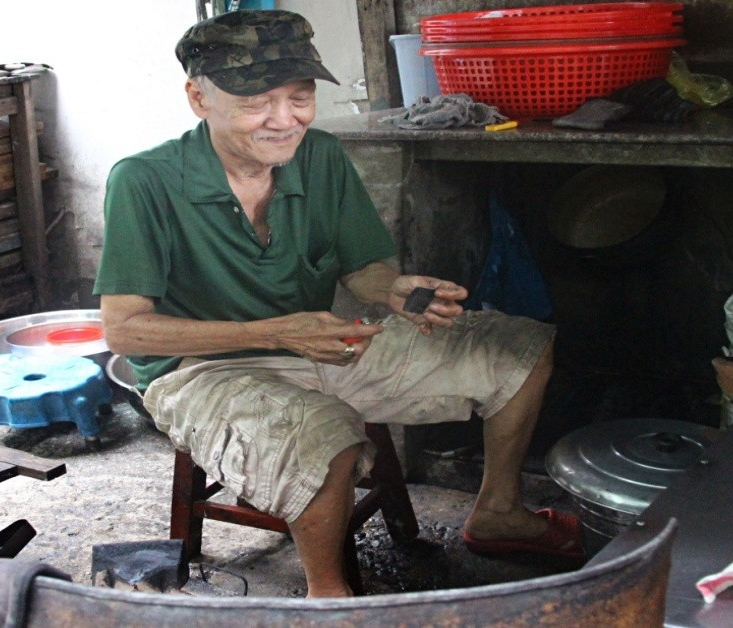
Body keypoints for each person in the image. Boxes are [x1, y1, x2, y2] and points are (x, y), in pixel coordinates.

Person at [94, 9, 582, 598]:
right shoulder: (144, 181)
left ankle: (499, 510)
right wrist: (278, 333)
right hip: (201, 370)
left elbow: (364, 266)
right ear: (199, 98)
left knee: (520, 348)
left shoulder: (320, 155)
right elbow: (125, 331)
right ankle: (329, 598)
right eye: (257, 102)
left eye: (299, 97)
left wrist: (389, 290)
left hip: (320, 340)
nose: (284, 120)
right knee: (326, 438)